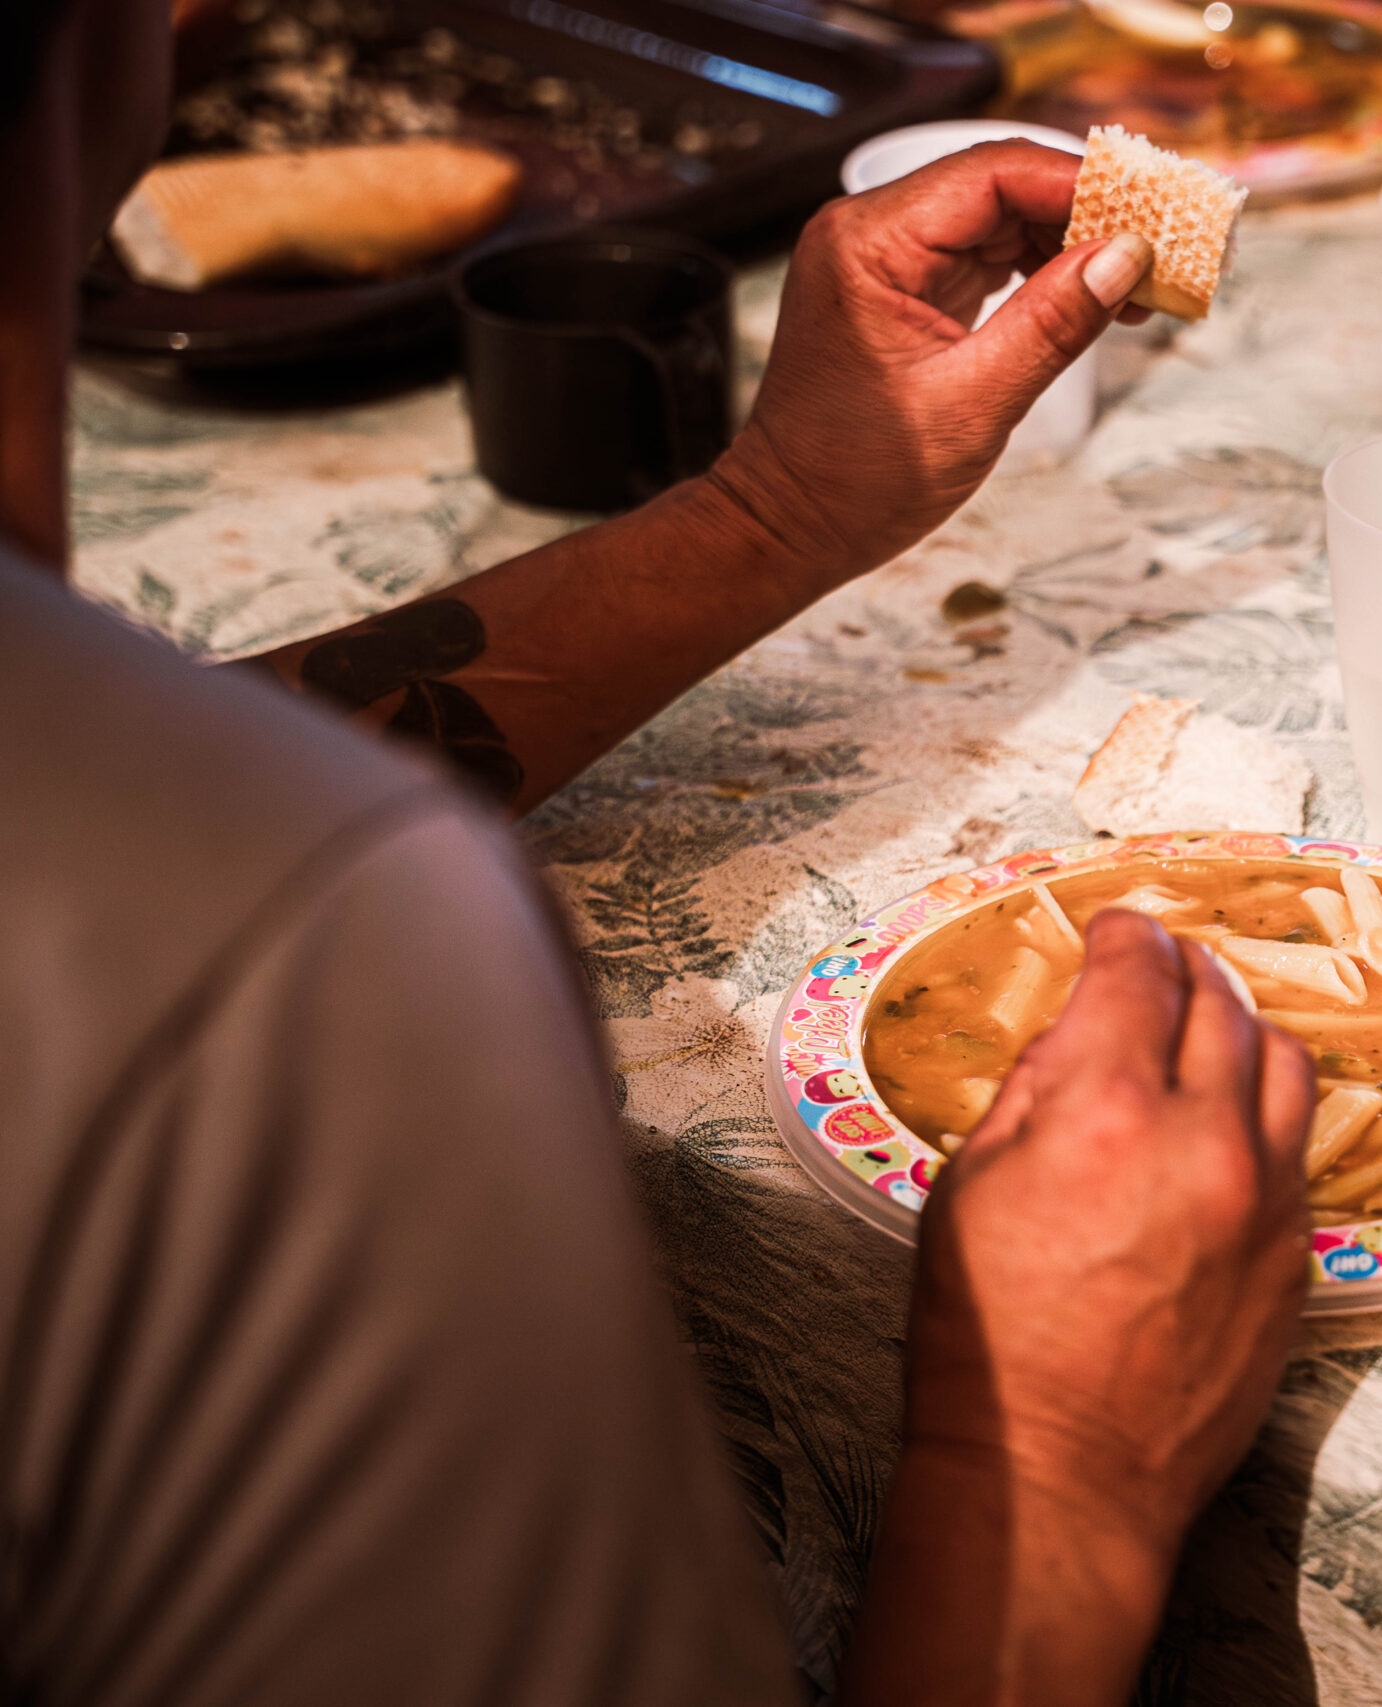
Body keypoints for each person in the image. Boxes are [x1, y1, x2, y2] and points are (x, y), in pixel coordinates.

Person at [0, 2, 1314, 1703]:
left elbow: (169, 776)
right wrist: (1053, 1470)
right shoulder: (286, 967)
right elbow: (207, 873)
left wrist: (777, 510)